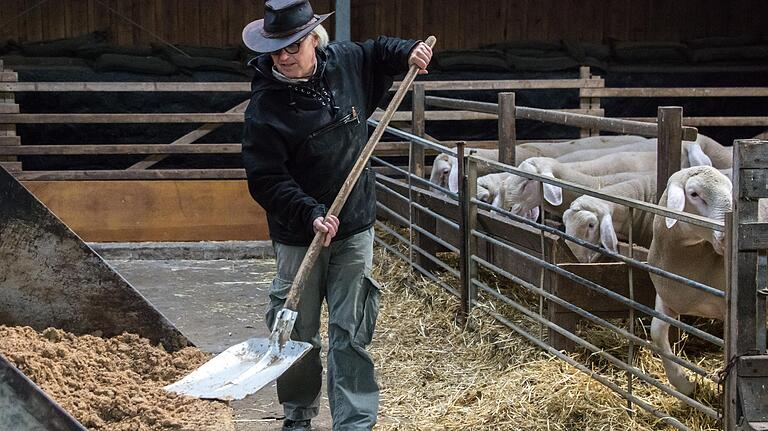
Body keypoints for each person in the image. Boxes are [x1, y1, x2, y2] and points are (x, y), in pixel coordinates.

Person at [240, 1, 432, 430]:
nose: (284, 57)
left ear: (314, 39)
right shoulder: (266, 108)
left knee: (350, 329)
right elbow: (266, 179)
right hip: (299, 233)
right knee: (297, 332)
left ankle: (355, 422)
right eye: (276, 50)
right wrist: (310, 214)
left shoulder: (345, 62)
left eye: (292, 46)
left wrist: (409, 52)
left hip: (354, 223)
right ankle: (297, 416)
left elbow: (381, 49)